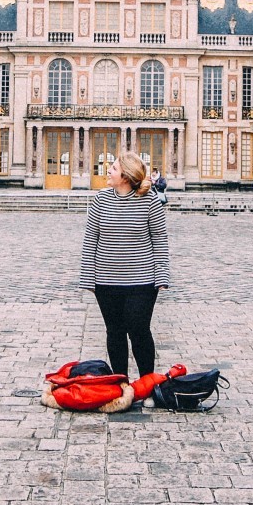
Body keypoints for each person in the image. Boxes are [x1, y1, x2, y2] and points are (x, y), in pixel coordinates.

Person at [80, 152, 171, 387]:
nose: (108, 171)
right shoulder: (100, 200)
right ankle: (121, 385)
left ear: (126, 175)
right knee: (115, 332)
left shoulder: (150, 201)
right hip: (106, 281)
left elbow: (159, 239)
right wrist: (88, 277)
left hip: (142, 281)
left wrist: (161, 274)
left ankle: (147, 385)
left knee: (139, 331)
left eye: (113, 167)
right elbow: (91, 240)